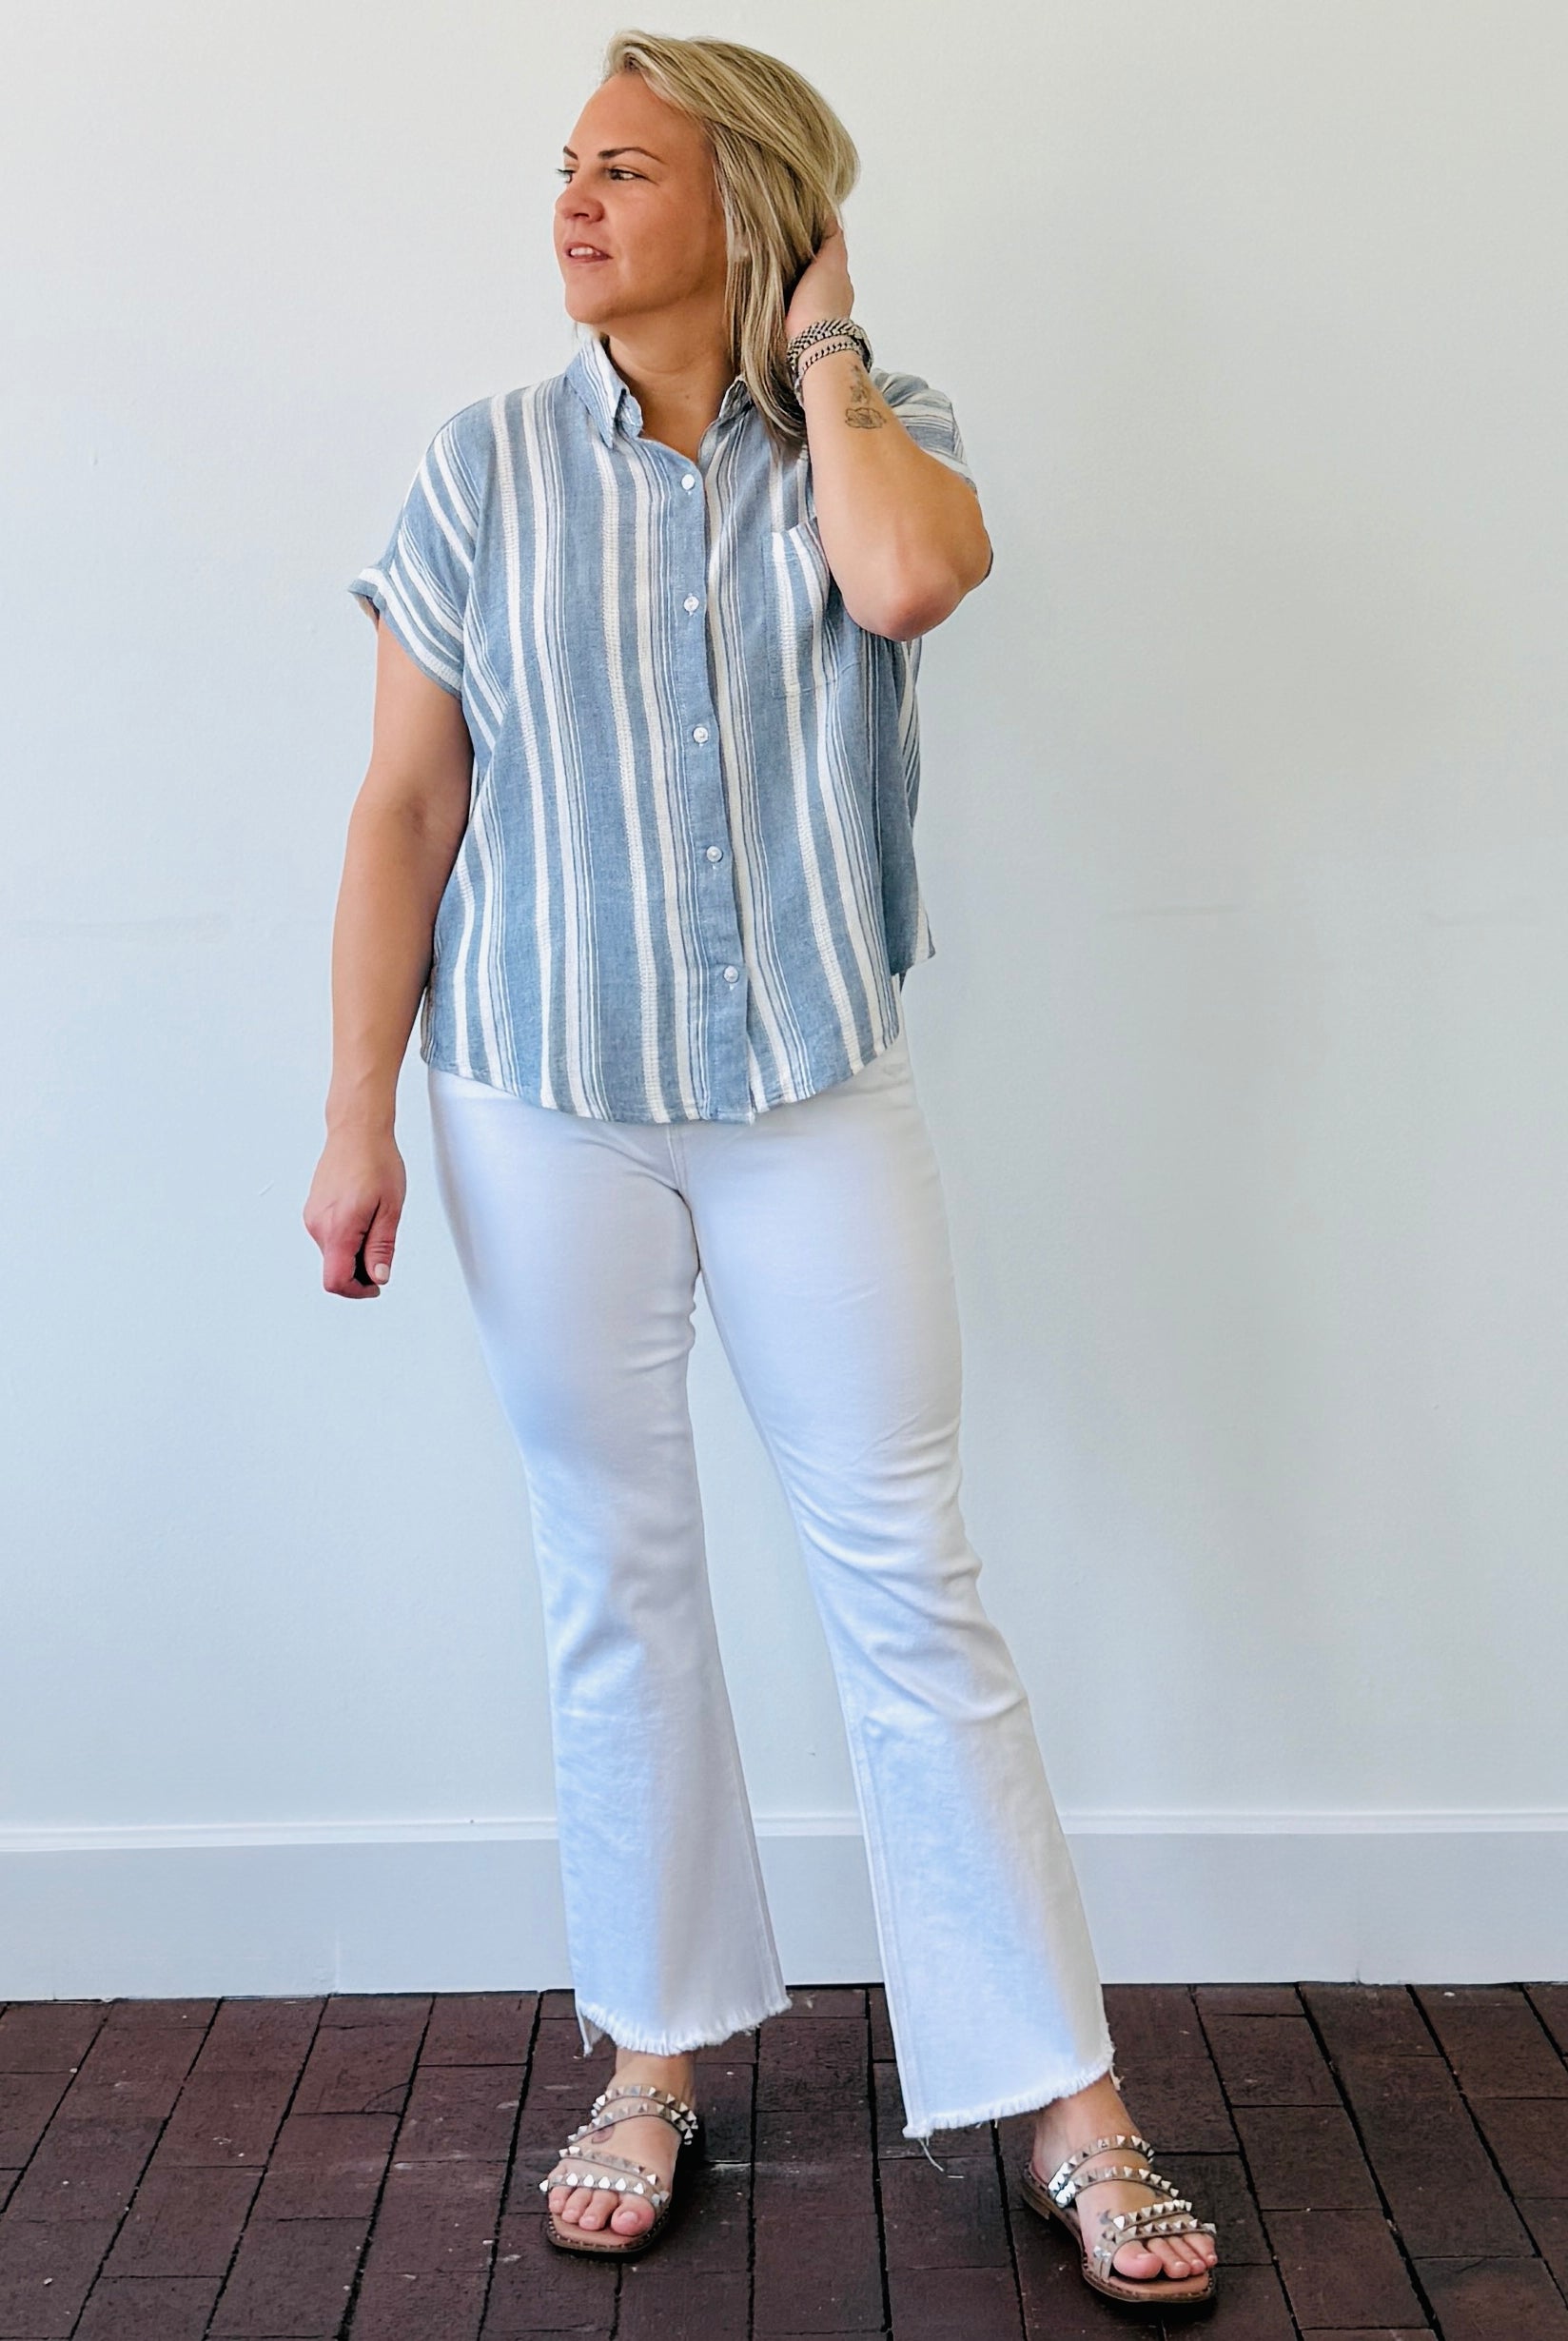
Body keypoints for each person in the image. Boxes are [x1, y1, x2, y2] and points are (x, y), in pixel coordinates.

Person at [304, 28, 1219, 2312]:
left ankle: (1063, 2099)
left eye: (626, 168)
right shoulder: (478, 468)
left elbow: (903, 588)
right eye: (565, 164)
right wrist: (353, 1116)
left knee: (905, 1573)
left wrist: (821, 342)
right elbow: (404, 805)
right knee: (614, 1577)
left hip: (808, 1085)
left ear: (753, 204)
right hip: (537, 1092)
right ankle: (651, 2058)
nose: (571, 200)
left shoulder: (874, 440)